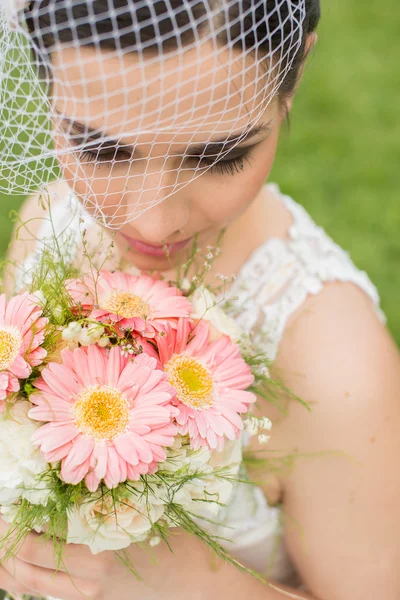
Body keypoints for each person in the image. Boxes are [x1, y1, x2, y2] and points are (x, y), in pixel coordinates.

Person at [1, 1, 400, 599]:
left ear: (295, 71)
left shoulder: (337, 365)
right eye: (102, 148)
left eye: (218, 156)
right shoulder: (49, 220)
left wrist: (190, 583)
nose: (154, 221)